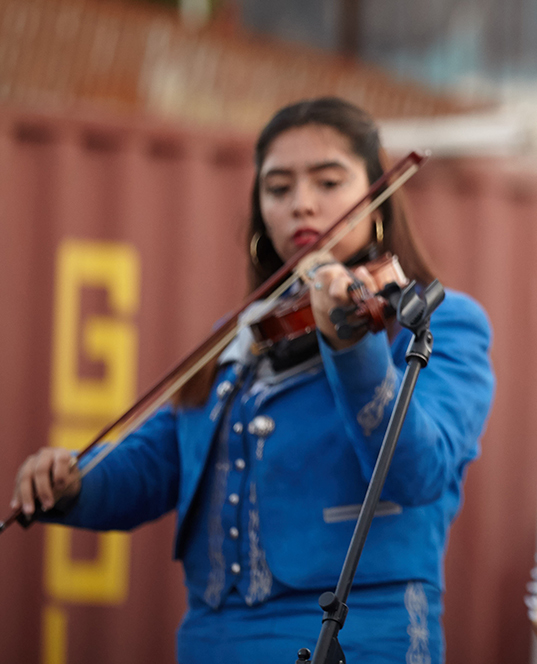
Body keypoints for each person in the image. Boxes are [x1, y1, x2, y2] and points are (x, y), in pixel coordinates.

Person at [10, 97, 495, 664]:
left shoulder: (437, 322)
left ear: (377, 199)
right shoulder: (241, 335)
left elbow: (419, 469)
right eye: (279, 187)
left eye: (329, 181)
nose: (302, 204)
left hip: (361, 632)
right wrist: (71, 481)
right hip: (214, 637)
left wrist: (354, 349)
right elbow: (158, 461)